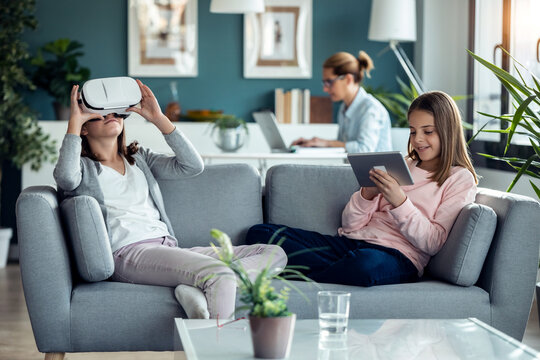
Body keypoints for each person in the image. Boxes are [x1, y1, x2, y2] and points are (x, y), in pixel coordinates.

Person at [54, 79, 287, 319]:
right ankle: (214, 341)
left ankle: (202, 283)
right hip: (129, 253)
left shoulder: (140, 159)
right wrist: (73, 123)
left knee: (274, 254)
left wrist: (157, 117)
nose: (110, 116)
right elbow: (65, 179)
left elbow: (192, 166)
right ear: (84, 126)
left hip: (167, 247)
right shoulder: (84, 169)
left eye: (115, 112)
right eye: (99, 114)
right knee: (219, 274)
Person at [246, 91, 478, 287]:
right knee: (261, 233)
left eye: (428, 131)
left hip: (398, 256)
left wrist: (400, 202)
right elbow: (350, 225)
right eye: (412, 131)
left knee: (362, 266)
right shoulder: (402, 164)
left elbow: (434, 241)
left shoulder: (459, 179)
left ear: (447, 131)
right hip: (353, 243)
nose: (418, 139)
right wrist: (366, 195)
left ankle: (279, 266)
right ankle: (294, 266)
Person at [292, 51, 392, 153]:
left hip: (376, 169)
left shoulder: (371, 109)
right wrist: (314, 143)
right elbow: (342, 148)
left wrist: (326, 143)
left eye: (329, 82)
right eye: (324, 83)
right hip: (350, 168)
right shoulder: (344, 108)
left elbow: (364, 150)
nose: (325, 89)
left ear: (348, 79)